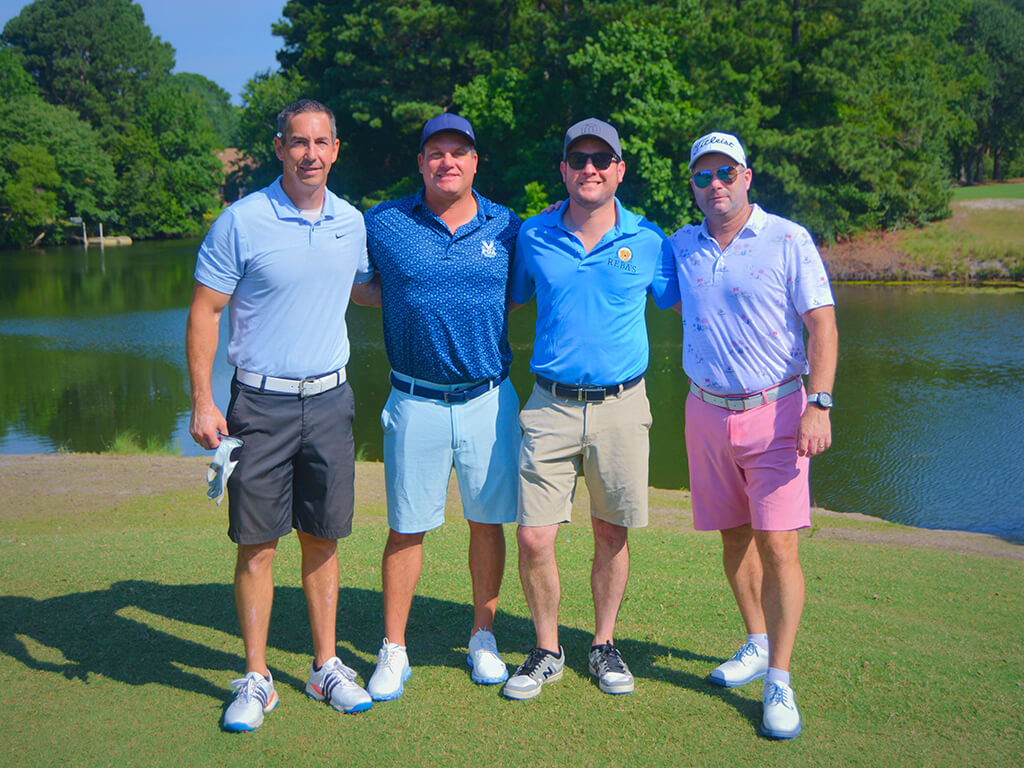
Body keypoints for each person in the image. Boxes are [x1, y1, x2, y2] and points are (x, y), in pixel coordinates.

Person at [186, 99, 374, 732]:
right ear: (279, 148)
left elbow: (368, 288)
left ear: (336, 149)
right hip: (258, 403)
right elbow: (206, 311)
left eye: (322, 142)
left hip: (330, 400)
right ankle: (258, 677)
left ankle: (325, 668)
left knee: (323, 537)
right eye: (298, 142)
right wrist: (203, 401)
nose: (310, 154)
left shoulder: (352, 223)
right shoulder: (241, 222)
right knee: (257, 543)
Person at [667, 131, 838, 739]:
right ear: (691, 185)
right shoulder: (680, 246)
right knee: (734, 536)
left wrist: (818, 403)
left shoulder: (788, 238)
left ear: (746, 176)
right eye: (702, 176)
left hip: (778, 413)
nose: (714, 185)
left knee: (779, 545)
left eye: (725, 173)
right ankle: (756, 642)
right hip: (705, 411)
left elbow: (821, 326)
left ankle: (780, 680)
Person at [503, 118, 676, 700]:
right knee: (533, 537)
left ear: (620, 169)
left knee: (611, 532)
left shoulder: (649, 240)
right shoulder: (533, 235)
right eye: (579, 159)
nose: (590, 169)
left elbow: (694, 304)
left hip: (623, 406)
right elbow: (506, 294)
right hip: (549, 405)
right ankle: (547, 649)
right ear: (564, 170)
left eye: (603, 159)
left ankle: (602, 645)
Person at [356, 114, 522, 701]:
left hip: (488, 399)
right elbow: (356, 281)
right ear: (421, 162)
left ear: (476, 162)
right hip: (414, 399)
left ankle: (482, 637)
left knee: (487, 522)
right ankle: (394, 649)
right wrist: (399, 297)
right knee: (406, 527)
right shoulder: (384, 222)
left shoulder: (506, 226)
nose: (447, 162)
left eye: (459, 152)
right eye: (435, 152)